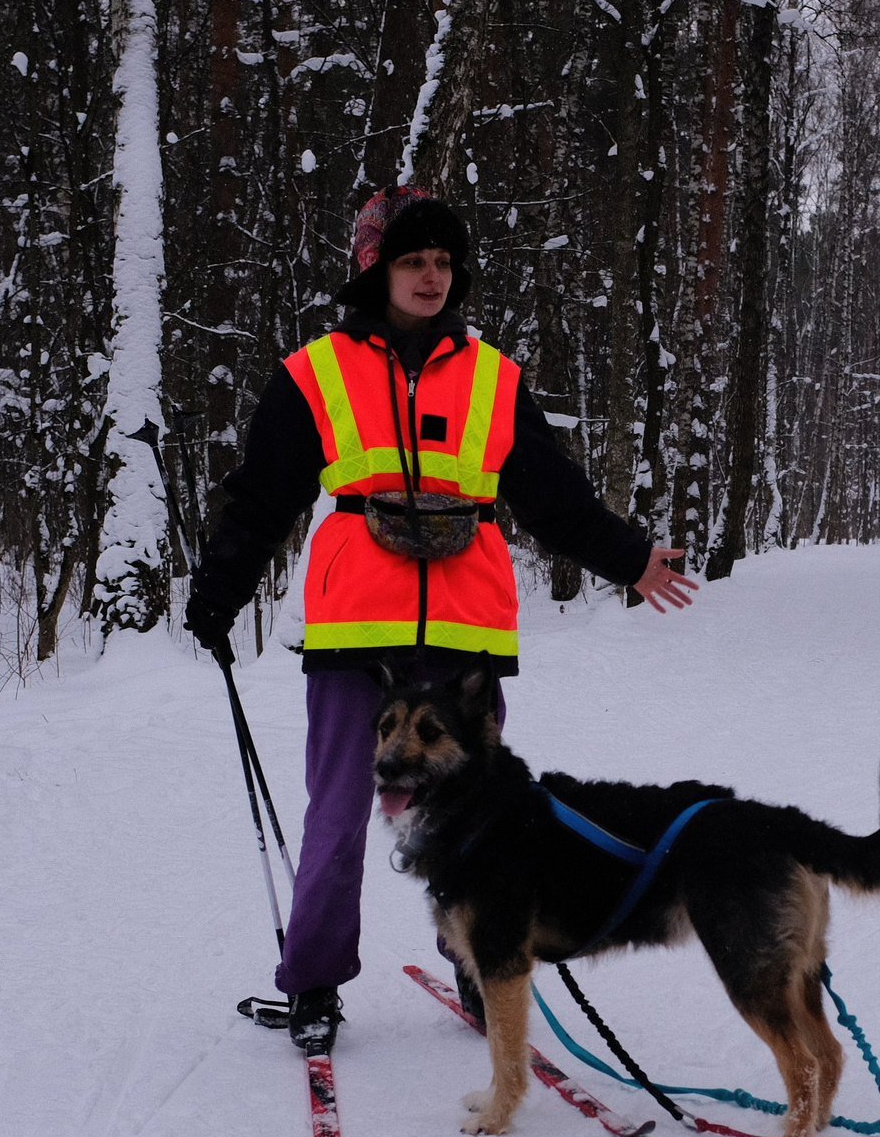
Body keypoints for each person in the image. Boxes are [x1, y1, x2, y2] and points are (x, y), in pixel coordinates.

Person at [184, 186, 697, 1054]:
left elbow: (553, 496)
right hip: (357, 631)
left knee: (479, 817)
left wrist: (630, 558)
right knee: (342, 810)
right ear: (375, 268)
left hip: (464, 632)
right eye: (413, 260)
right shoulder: (318, 372)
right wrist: (218, 588)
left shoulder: (493, 378)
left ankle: (477, 957)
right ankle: (313, 980)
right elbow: (263, 495)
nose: (430, 276)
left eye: (443, 262)